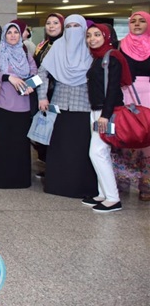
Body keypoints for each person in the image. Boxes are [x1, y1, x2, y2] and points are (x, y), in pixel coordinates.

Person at [37, 14, 98, 198]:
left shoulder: (91, 49)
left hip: (84, 105)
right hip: (59, 104)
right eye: (69, 27)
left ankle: (82, 187)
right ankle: (57, 185)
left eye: (76, 26)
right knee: (60, 147)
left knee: (81, 148)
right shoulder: (58, 46)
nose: (72, 30)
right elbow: (42, 73)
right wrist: (42, 97)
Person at [0, 22, 37, 188]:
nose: (12, 35)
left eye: (16, 32)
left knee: (19, 145)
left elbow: (35, 73)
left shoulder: (25, 53)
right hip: (1, 104)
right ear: (4, 35)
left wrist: (30, 85)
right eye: (9, 32)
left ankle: (19, 180)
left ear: (20, 35)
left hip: (22, 105)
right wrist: (8, 77)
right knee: (0, 144)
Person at [84, 23, 131, 212]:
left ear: (107, 36)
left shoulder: (113, 57)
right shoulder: (98, 57)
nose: (92, 39)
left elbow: (113, 89)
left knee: (97, 152)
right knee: (101, 153)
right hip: (96, 110)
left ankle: (113, 198)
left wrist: (105, 115)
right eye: (89, 35)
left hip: (106, 112)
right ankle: (103, 194)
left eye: (97, 35)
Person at [116, 11, 150, 201]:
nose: (137, 24)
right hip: (126, 93)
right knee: (126, 135)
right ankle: (123, 180)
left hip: (148, 94)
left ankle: (146, 185)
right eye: (133, 21)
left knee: (146, 138)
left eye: (142, 21)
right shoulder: (121, 46)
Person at [31, 13, 65, 177]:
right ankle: (45, 163)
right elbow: (37, 69)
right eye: (49, 23)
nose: (51, 26)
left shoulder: (65, 45)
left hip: (56, 92)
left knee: (55, 131)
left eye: (56, 23)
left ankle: (54, 167)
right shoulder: (42, 45)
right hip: (40, 91)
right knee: (42, 128)